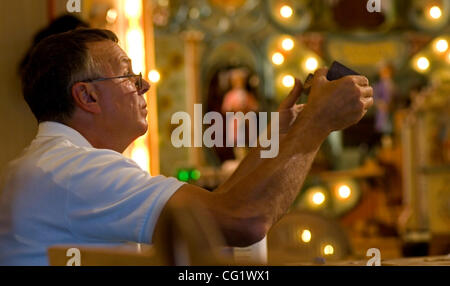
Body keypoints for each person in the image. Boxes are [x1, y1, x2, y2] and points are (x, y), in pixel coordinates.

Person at [0, 28, 373, 265]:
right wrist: (317, 124)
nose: (144, 86)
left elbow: (226, 204)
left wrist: (280, 136)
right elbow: (240, 221)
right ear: (87, 96)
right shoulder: (75, 171)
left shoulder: (54, 164)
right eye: (129, 76)